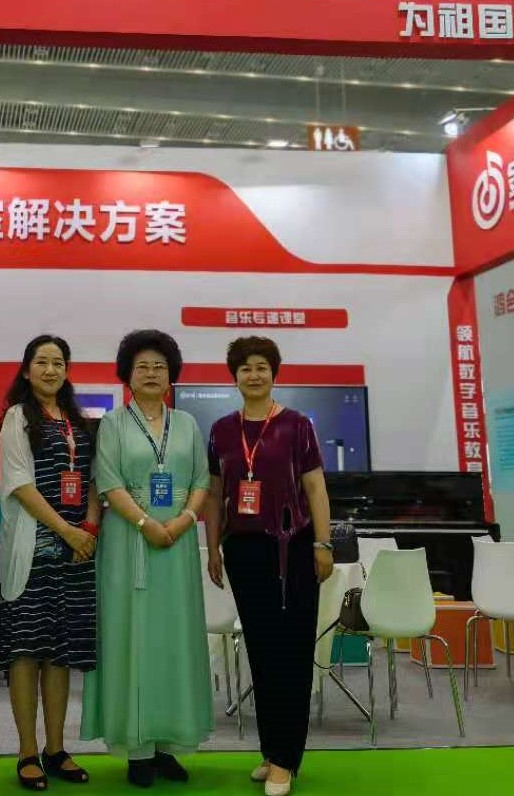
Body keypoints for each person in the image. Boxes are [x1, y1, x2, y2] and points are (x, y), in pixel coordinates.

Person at [81, 329, 213, 788]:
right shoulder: (113, 424)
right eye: (143, 366)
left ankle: (168, 745)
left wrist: (183, 521)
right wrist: (145, 524)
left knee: (174, 639)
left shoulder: (188, 424)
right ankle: (137, 749)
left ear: (171, 374)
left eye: (160, 366)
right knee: (131, 639)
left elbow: (201, 480)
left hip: (177, 545)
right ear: (128, 375)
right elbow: (109, 483)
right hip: (128, 544)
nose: (152, 373)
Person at [205, 337, 334, 796]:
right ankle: (271, 750)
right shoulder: (221, 430)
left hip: (293, 550)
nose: (254, 375)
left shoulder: (297, 426)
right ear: (235, 377)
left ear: (274, 374)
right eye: (245, 368)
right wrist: (213, 548)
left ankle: (286, 759)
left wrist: (323, 543)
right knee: (260, 652)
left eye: (262, 367)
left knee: (291, 653)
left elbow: (315, 488)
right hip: (244, 552)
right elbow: (215, 495)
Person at [0, 335, 99, 791]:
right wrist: (66, 530)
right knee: (26, 652)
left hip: (76, 553)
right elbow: (20, 484)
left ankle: (56, 749)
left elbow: (94, 480)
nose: (51, 370)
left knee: (60, 653)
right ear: (26, 370)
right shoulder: (18, 417)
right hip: (33, 552)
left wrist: (88, 529)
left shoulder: (79, 422)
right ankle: (27, 751)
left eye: (59, 362)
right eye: (42, 362)